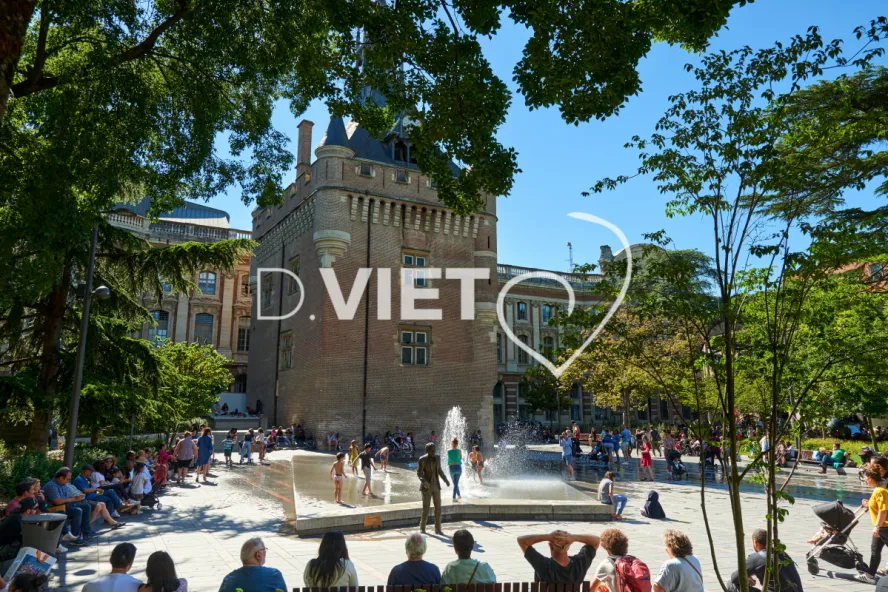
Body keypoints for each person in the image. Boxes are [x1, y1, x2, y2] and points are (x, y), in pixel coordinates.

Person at [729, 528, 802, 592]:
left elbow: (734, 578)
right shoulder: (782, 554)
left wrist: (745, 577)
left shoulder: (756, 558)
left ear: (755, 542)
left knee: (731, 584)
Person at [517, 530, 600, 583]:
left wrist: (548, 537)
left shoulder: (543, 565)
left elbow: (521, 541)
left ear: (550, 546)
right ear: (568, 546)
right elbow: (596, 541)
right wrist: (574, 537)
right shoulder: (579, 564)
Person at [45, 467, 93, 545]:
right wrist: (74, 499)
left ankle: (85, 533)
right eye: (67, 479)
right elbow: (57, 501)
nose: (68, 481)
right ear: (61, 478)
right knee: (77, 511)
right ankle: (75, 537)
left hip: (64, 506)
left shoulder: (63, 484)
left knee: (86, 507)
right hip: (55, 509)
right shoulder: (52, 486)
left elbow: (66, 498)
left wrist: (77, 498)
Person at [219, 537, 287, 592]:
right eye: (264, 550)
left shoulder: (229, 579)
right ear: (258, 555)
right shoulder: (274, 575)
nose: (265, 553)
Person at [858, 468, 888, 583]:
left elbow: (883, 510)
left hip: (884, 527)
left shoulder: (880, 491)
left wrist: (877, 526)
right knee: (875, 551)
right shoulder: (878, 490)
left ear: (870, 479)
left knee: (875, 551)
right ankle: (870, 575)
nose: (864, 479)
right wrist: (868, 503)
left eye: (865, 477)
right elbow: (877, 505)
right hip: (881, 527)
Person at [417, 442, 450, 534]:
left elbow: (439, 470)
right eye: (432, 450)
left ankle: (438, 528)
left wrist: (445, 480)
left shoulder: (437, 458)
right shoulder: (422, 459)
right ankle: (422, 528)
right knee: (426, 508)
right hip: (426, 487)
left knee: (438, 508)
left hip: (436, 486)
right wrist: (424, 482)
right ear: (427, 451)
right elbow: (419, 473)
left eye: (434, 450)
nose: (433, 452)